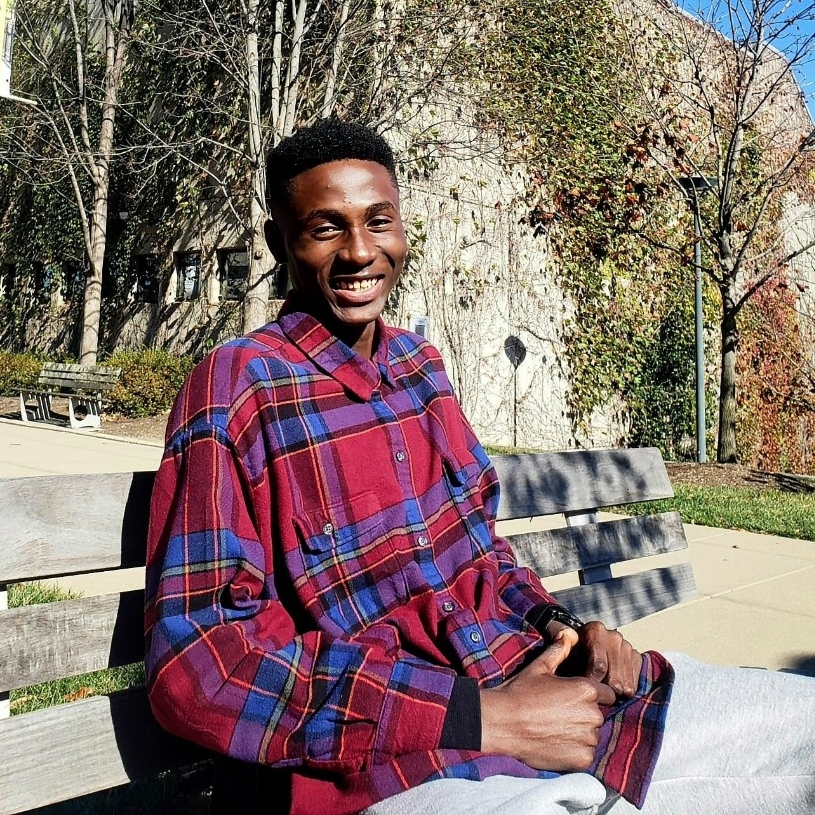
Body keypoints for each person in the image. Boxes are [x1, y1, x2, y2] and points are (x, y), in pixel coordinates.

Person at [145, 119, 815, 815]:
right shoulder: (238, 386)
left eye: (379, 221)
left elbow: (481, 555)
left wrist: (563, 625)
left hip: (550, 696)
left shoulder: (420, 368)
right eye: (325, 228)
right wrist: (483, 718)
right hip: (396, 767)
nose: (359, 252)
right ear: (278, 240)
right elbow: (201, 664)